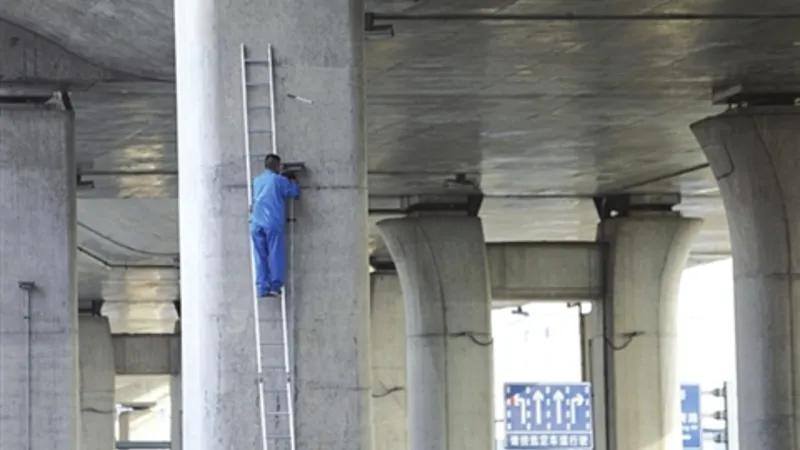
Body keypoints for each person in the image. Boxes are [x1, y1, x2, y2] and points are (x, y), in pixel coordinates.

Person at [250, 154, 300, 298]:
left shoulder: (257, 180)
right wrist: (293, 180)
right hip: (271, 223)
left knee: (260, 256)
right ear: (278, 166)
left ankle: (262, 288)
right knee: (275, 254)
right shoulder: (279, 180)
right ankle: (275, 286)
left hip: (255, 222)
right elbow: (294, 193)